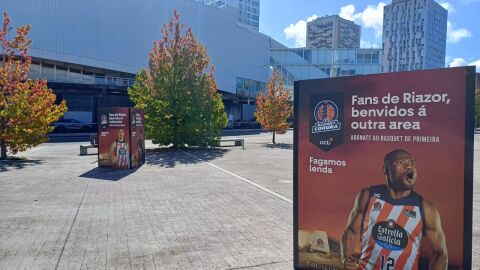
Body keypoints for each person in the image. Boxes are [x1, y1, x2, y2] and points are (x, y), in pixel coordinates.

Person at [341, 149, 448, 270]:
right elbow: (351, 231)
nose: (408, 166)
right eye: (400, 162)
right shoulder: (367, 196)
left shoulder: (426, 209)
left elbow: (440, 254)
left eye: (412, 163)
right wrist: (347, 258)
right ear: (385, 169)